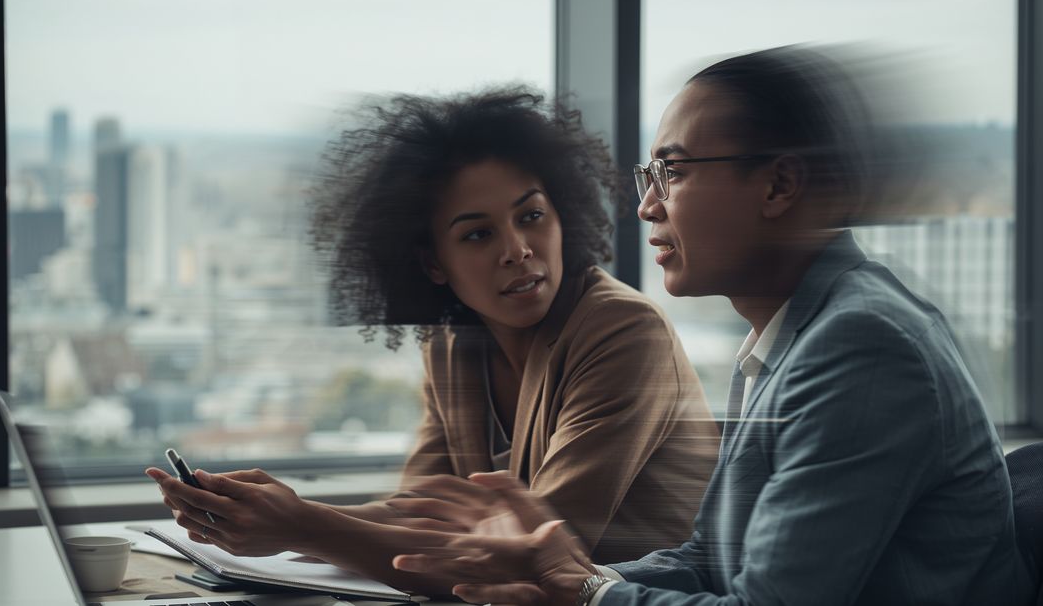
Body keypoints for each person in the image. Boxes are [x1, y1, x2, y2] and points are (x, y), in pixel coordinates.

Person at [390, 47, 1036, 605]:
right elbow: (707, 559)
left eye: (672, 172)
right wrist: (569, 578)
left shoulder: (860, 346)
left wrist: (583, 590)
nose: (646, 205)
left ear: (778, 185)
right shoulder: (790, 335)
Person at [145, 87, 719, 594]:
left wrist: (300, 524)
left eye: (533, 215)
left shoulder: (623, 332)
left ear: (562, 214)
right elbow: (418, 514)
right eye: (477, 233)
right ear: (432, 263)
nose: (518, 248)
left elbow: (534, 555)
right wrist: (273, 513)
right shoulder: (450, 346)